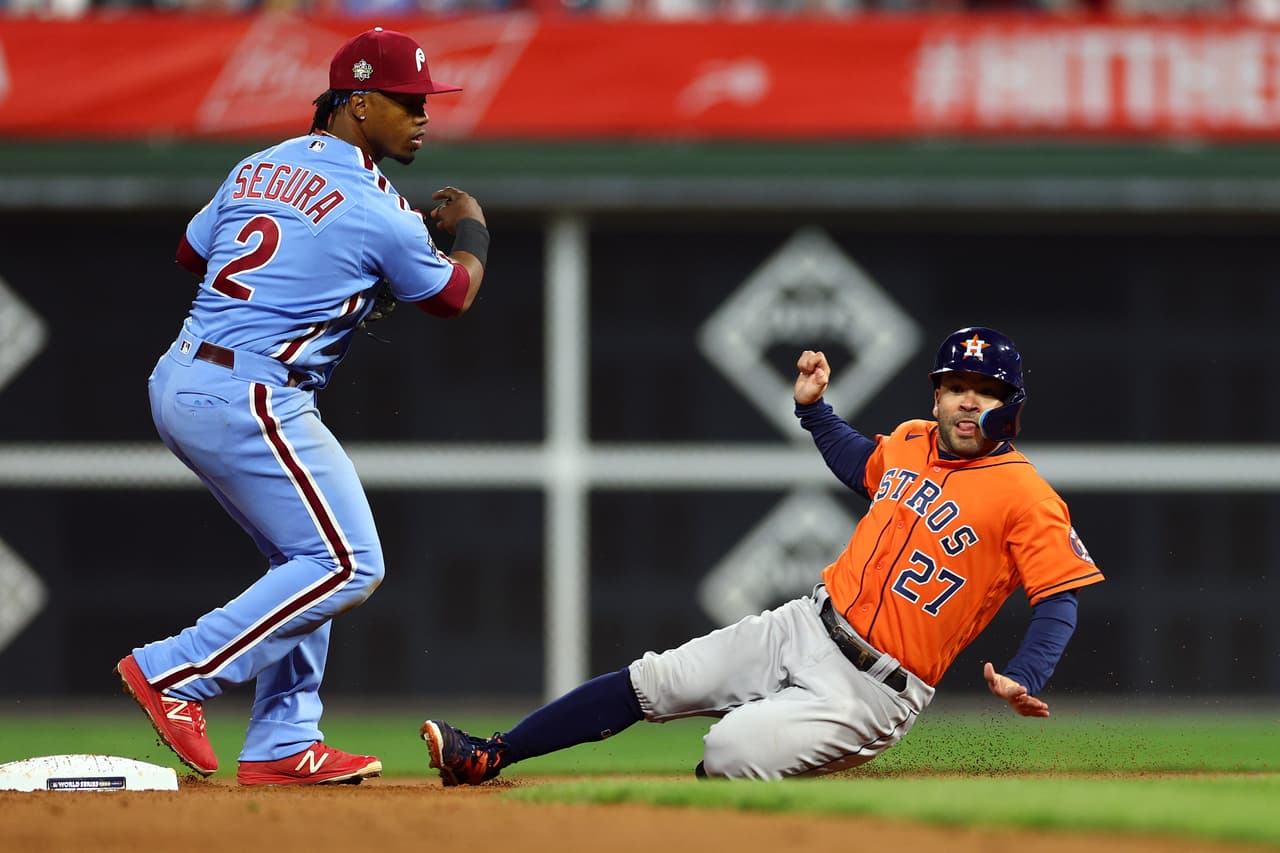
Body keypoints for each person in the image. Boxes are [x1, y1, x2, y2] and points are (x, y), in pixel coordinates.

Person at [421, 327, 1103, 782]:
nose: (966, 402)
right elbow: (860, 463)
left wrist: (1028, 673)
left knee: (730, 749)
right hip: (805, 623)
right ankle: (489, 754)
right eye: (957, 386)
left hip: (872, 689)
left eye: (985, 392)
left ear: (1010, 407)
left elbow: (1058, 596)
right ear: (937, 392)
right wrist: (814, 411)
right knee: (653, 680)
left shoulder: (1027, 495)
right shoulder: (911, 440)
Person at [114, 26, 490, 786]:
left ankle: (284, 739)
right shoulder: (376, 204)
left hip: (189, 374)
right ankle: (176, 670)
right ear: (355, 103)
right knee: (349, 562)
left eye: (425, 100)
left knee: (305, 560)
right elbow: (454, 295)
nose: (423, 114)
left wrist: (323, 266)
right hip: (250, 391)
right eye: (405, 100)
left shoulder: (258, 162)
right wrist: (475, 229)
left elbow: (195, 253)